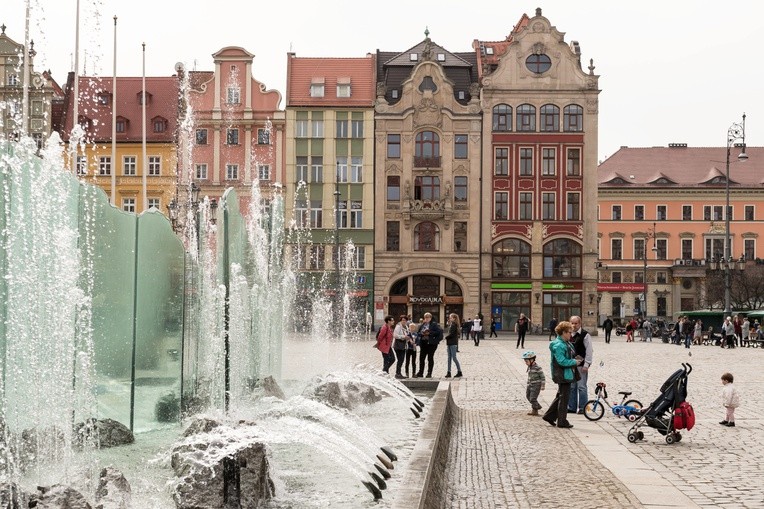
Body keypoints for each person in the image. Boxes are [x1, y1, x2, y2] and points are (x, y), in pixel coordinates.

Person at [542, 321, 582, 429]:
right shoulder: (559, 345)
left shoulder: (566, 342)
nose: (571, 334)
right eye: (569, 332)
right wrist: (574, 362)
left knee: (560, 395)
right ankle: (562, 421)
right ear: (563, 332)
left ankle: (549, 416)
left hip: (566, 373)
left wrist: (575, 359)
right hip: (562, 374)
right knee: (564, 398)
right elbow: (561, 361)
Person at [567, 315, 593, 415]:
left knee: (581, 387)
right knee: (572, 386)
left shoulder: (585, 335)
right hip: (571, 365)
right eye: (572, 323)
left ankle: (583, 407)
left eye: (576, 323)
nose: (574, 325)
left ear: (580, 323)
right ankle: (572, 407)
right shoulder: (569, 334)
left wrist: (587, 364)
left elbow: (589, 350)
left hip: (581, 365)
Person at [415, 312, 443, 378]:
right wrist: (422, 333)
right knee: (421, 358)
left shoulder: (434, 324)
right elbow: (418, 332)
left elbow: (439, 332)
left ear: (430, 318)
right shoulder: (423, 325)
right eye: (425, 317)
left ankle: (429, 373)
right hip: (423, 343)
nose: (427, 319)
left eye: (428, 317)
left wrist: (429, 333)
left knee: (430, 358)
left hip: (431, 344)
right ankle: (420, 372)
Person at [522, 350, 545, 416]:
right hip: (530, 384)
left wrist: (543, 385)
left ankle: (536, 408)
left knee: (533, 398)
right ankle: (536, 408)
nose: (525, 363)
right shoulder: (530, 367)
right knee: (528, 396)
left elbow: (543, 377)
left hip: (536, 385)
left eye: (526, 361)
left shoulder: (538, 368)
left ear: (532, 360)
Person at [444, 313, 463, 378]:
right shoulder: (452, 324)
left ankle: (459, 371)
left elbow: (451, 334)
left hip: (453, 343)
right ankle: (448, 372)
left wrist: (446, 337)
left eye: (451, 317)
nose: (449, 318)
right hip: (450, 343)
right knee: (449, 358)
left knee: (454, 358)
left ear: (454, 318)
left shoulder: (454, 325)